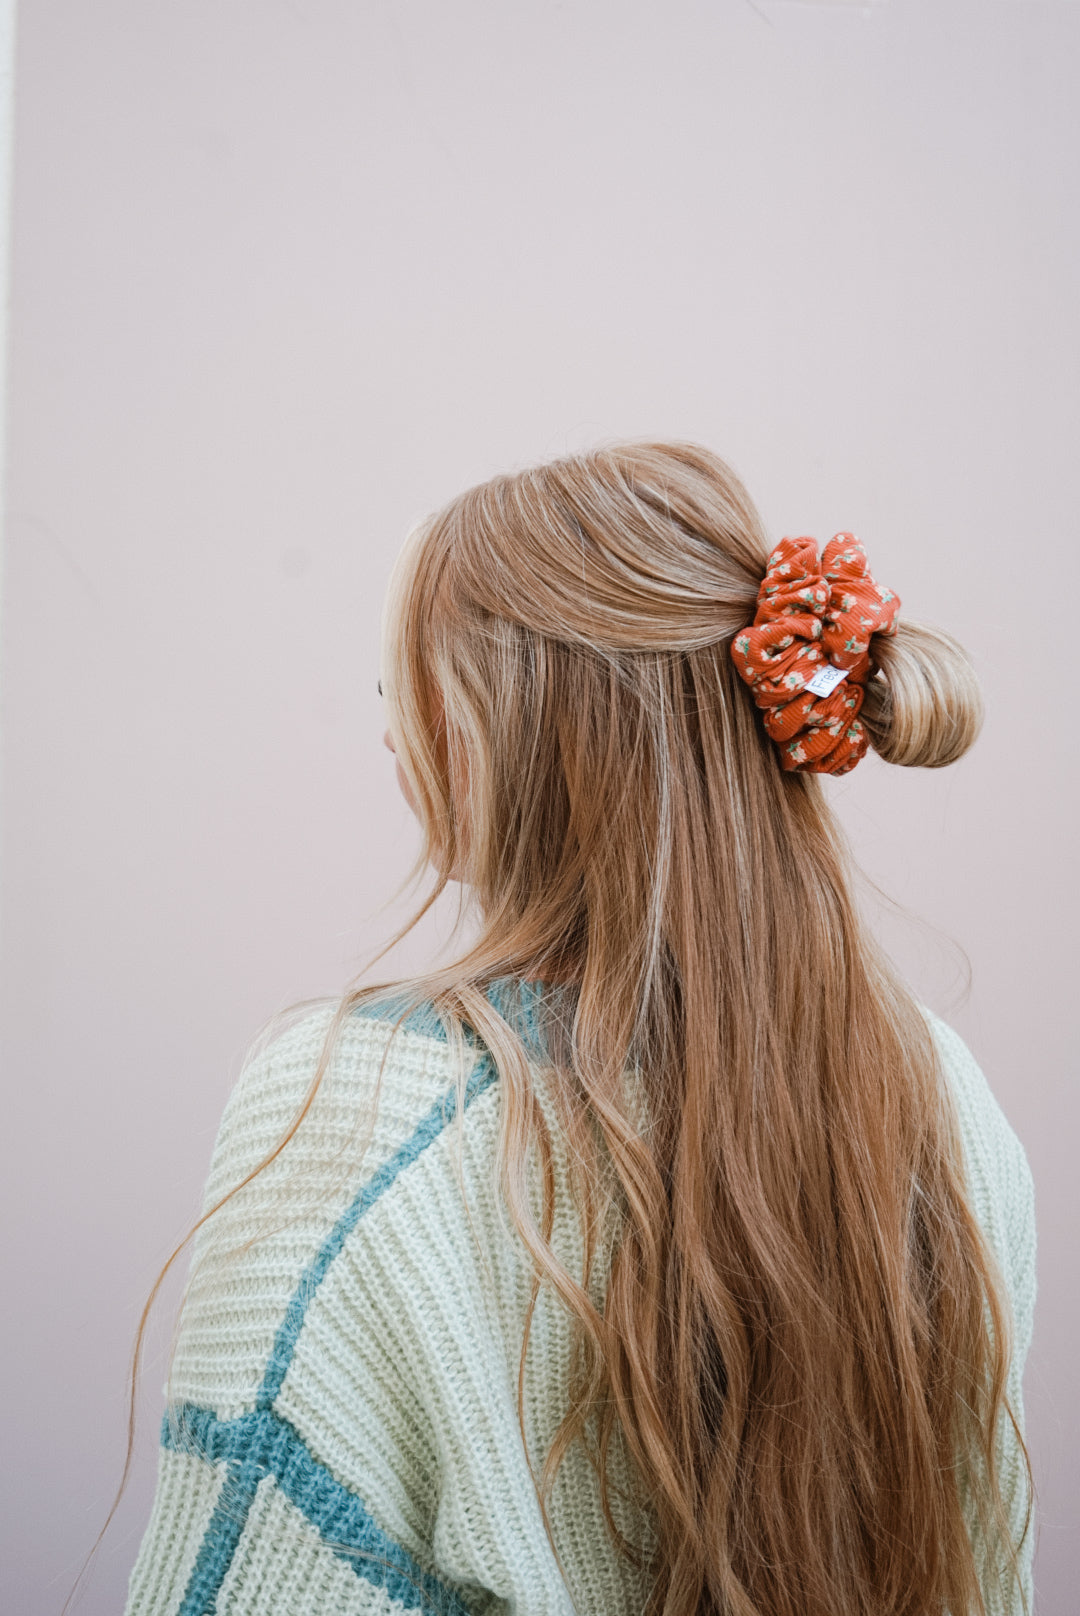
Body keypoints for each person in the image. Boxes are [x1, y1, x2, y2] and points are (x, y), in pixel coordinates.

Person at [124, 442, 1035, 1616]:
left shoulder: (347, 1110)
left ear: (483, 740)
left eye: (409, 694)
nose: (392, 739)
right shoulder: (941, 1096)